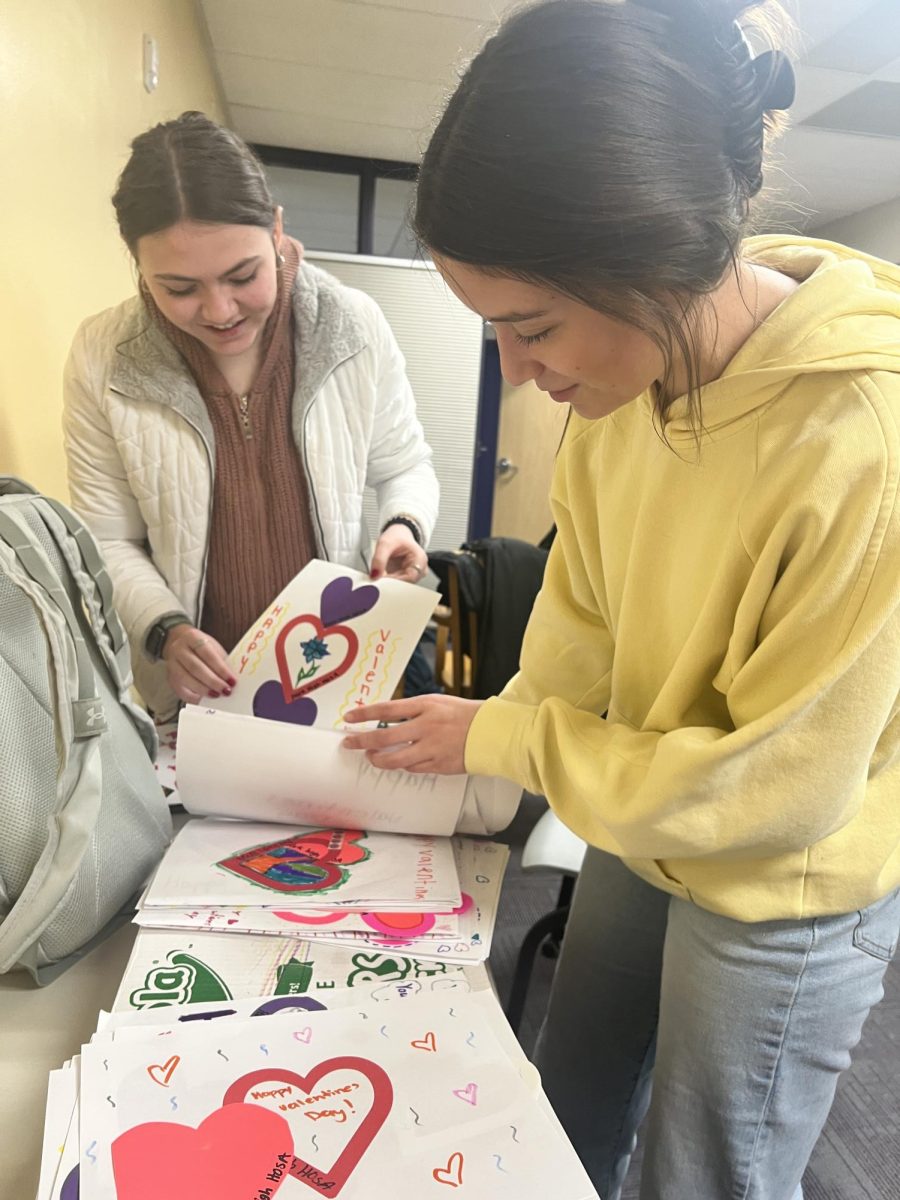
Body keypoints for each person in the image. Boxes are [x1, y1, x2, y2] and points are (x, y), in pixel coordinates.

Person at [342, 1, 900, 1196]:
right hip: (651, 823)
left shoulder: (863, 435)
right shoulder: (619, 413)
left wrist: (505, 735)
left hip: (779, 889)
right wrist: (478, 758)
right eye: (496, 333)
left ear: (653, 260)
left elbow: (774, 793)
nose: (522, 374)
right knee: (566, 1099)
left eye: (533, 328)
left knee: (706, 1174)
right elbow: (577, 641)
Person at [63, 112, 438, 721]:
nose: (219, 310)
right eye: (179, 288)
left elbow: (407, 465)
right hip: (195, 696)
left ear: (277, 229)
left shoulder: (352, 325)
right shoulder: (104, 356)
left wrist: (404, 526)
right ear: (137, 265)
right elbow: (107, 536)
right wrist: (165, 631)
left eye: (243, 276)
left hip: (333, 674)